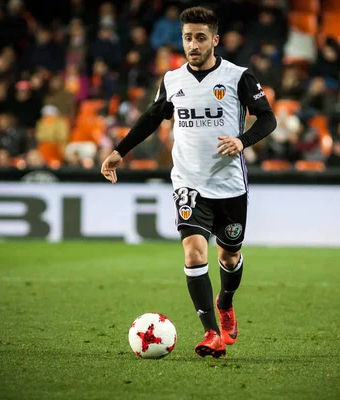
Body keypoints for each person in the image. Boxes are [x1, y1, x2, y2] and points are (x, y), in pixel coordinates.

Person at [101, 6, 276, 358]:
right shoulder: (172, 80)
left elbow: (268, 119)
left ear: (214, 39)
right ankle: (211, 332)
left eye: (199, 37)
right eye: (187, 38)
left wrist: (242, 141)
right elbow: (153, 117)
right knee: (194, 250)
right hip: (188, 182)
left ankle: (225, 301)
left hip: (229, 185)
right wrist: (121, 150)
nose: (192, 45)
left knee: (229, 255)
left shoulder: (238, 77)